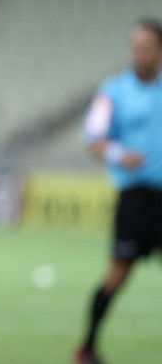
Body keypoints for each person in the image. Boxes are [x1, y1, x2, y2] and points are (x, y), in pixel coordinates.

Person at [75, 19, 162, 364]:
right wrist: (118, 154)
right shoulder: (114, 91)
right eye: (135, 46)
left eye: (146, 47)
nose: (139, 53)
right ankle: (88, 347)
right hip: (136, 200)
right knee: (116, 276)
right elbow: (93, 138)